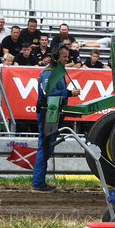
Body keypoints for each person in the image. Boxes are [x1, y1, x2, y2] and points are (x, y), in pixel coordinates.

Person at [32, 43, 80, 193]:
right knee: (44, 147)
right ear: (55, 57)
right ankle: (38, 183)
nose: (67, 59)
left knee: (48, 147)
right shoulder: (49, 72)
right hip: (48, 111)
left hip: (54, 112)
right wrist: (69, 93)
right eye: (64, 56)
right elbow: (49, 93)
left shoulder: (58, 71)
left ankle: (39, 181)